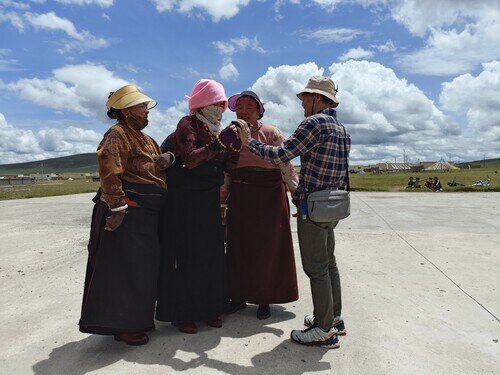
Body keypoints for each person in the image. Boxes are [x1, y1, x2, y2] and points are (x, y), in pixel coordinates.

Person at [237, 76, 350, 349]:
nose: (302, 105)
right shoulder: (341, 128)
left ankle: (323, 330)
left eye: (305, 99)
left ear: (317, 99)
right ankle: (334, 317)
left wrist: (248, 141)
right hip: (334, 204)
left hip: (313, 204)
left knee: (316, 268)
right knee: (329, 262)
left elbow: (281, 154)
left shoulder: (314, 123)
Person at [79, 84, 174, 345]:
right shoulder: (117, 134)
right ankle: (123, 325)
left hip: (146, 215)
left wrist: (168, 157)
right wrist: (118, 207)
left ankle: (137, 319)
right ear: (126, 110)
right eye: (142, 107)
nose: (147, 111)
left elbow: (154, 166)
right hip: (128, 212)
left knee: (143, 269)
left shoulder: (146, 138)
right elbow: (110, 169)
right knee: (125, 270)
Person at [156, 79, 240, 334]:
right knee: (187, 255)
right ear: (203, 103)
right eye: (217, 103)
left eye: (223, 103)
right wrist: (221, 142)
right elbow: (191, 159)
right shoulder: (188, 124)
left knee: (210, 254)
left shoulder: (215, 128)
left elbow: (227, 164)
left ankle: (210, 308)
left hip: (207, 199)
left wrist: (234, 145)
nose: (221, 108)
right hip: (185, 199)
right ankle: (183, 314)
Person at [223, 90, 299, 320]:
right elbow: (225, 171)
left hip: (270, 198)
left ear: (259, 111)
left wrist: (297, 194)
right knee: (239, 247)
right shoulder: (228, 136)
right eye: (240, 107)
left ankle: (265, 298)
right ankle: (237, 296)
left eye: (249, 107)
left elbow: (286, 165)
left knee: (269, 248)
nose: (244, 111)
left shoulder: (271, 133)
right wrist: (221, 202)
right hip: (241, 198)